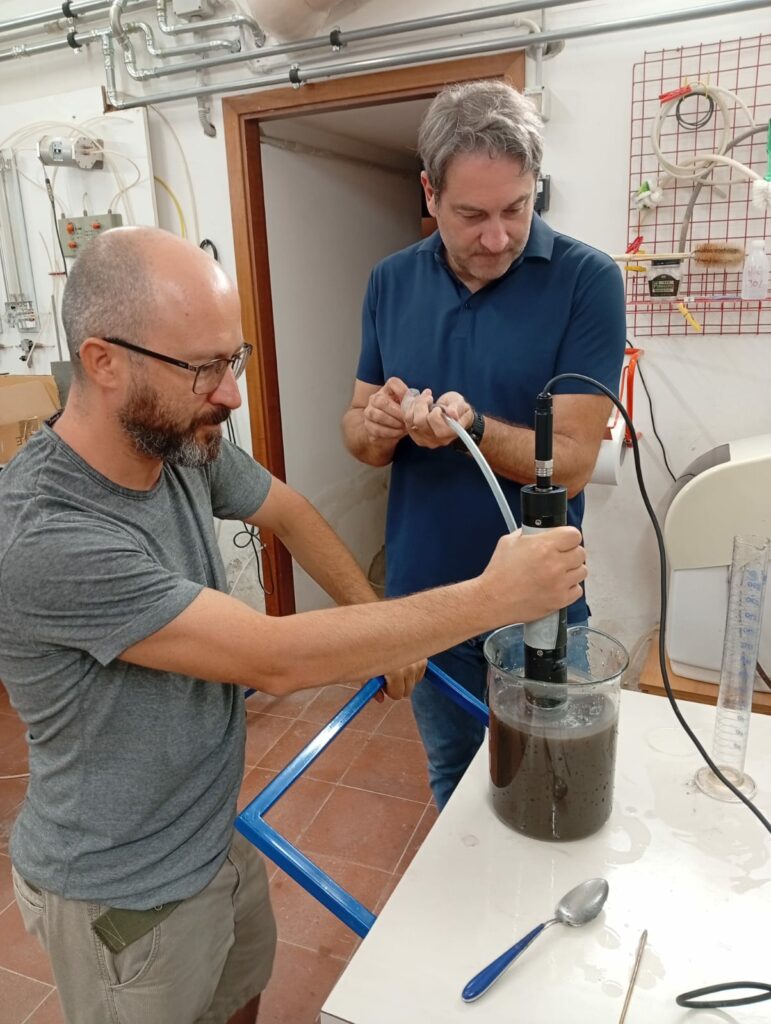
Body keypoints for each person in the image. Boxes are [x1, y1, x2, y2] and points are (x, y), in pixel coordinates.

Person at [0, 226, 586, 1024]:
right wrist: (493, 597)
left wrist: (370, 615)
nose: (231, 394)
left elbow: (288, 511)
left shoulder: (177, 441)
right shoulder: (48, 536)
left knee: (241, 993)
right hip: (124, 890)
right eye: (203, 368)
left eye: (231, 359)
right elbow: (270, 659)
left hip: (212, 830)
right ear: (103, 362)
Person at [342, 80, 626, 811]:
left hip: (538, 601)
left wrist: (471, 429)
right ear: (429, 193)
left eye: (516, 209)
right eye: (471, 215)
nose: (498, 238)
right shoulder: (389, 281)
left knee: (550, 784)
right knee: (454, 779)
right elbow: (357, 430)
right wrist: (377, 425)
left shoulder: (587, 280)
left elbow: (571, 463)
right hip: (426, 601)